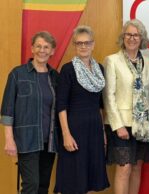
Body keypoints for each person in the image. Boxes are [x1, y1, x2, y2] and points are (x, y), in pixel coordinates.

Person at [0, 31, 59, 194]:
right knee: (31, 185)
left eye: (46, 47)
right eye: (38, 46)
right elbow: (7, 110)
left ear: (52, 51)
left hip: (50, 141)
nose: (42, 50)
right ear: (32, 49)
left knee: (43, 186)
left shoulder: (55, 77)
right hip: (26, 140)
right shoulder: (17, 74)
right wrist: (9, 140)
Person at [54, 25, 109, 194]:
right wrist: (66, 135)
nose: (83, 46)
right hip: (74, 130)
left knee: (92, 177)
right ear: (74, 46)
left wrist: (103, 131)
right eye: (79, 43)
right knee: (74, 178)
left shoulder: (99, 69)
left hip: (94, 129)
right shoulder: (68, 70)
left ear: (93, 44)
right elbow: (61, 105)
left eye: (87, 43)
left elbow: (100, 104)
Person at [103, 19, 149, 194]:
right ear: (123, 37)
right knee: (124, 169)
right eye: (128, 34)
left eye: (136, 35)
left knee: (136, 168)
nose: (132, 38)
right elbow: (108, 95)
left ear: (141, 38)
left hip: (143, 125)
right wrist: (118, 126)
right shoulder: (112, 60)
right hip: (121, 125)